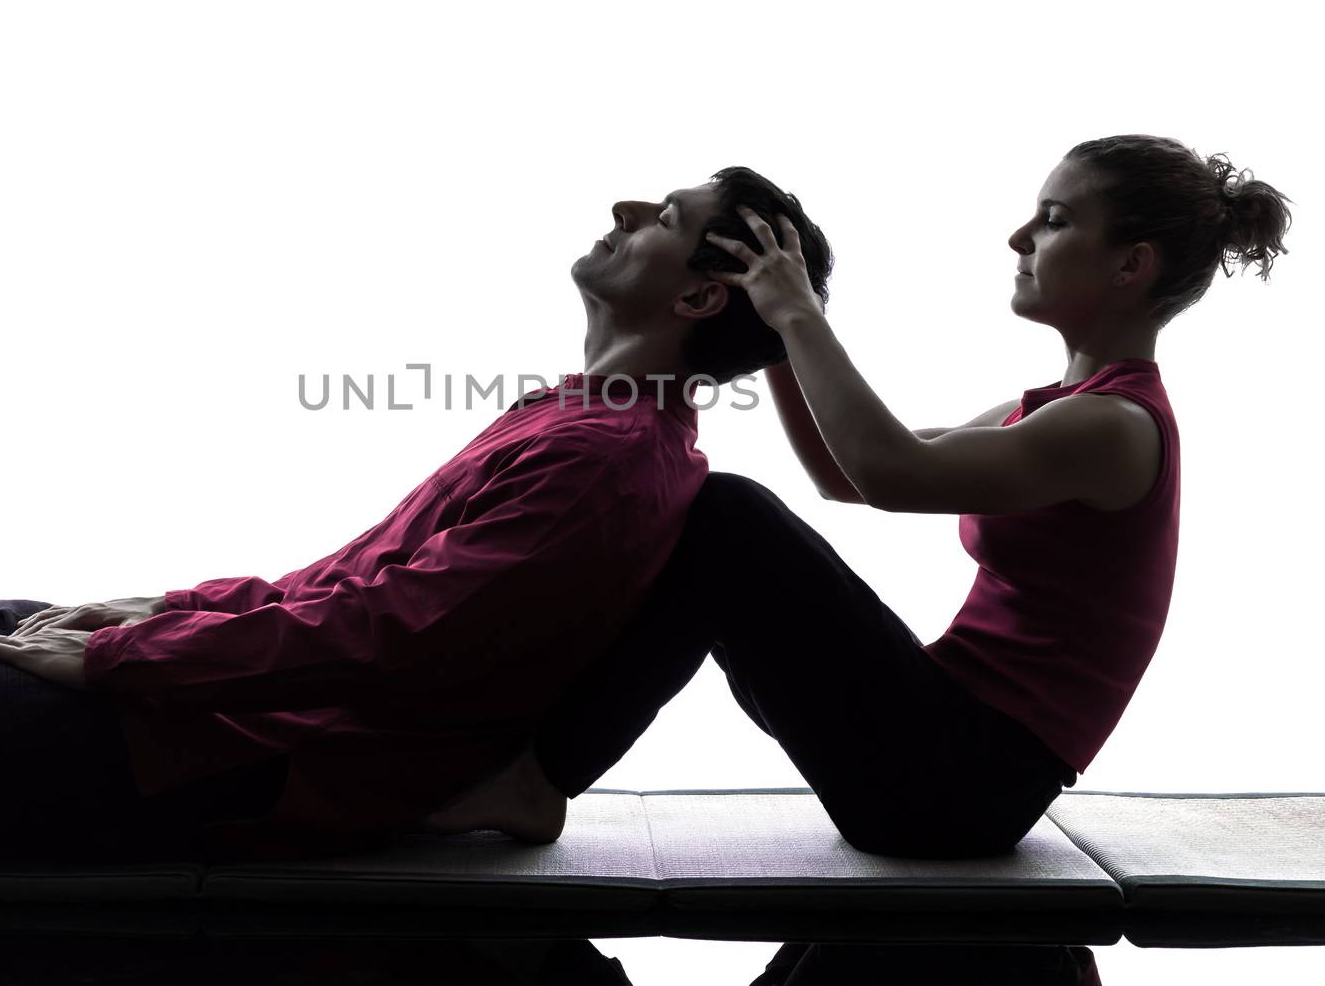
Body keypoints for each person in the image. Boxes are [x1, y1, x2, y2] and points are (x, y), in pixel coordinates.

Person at [0, 168, 835, 860]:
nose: (621, 209)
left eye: (662, 219)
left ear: (699, 298)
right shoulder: (575, 415)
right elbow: (355, 580)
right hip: (285, 711)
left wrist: (123, 660)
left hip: (300, 759)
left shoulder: (601, 457)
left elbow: (391, 631)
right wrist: (151, 608)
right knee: (12, 615)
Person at [519, 135, 1293, 858]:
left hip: (965, 783)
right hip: (945, 756)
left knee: (727, 517)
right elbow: (842, 473)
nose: (1019, 239)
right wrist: (776, 324)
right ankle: (520, 756)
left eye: (1053, 222)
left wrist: (796, 312)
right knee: (716, 525)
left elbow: (890, 475)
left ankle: (534, 779)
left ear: (1131, 267)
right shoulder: (1054, 410)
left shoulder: (1115, 426)